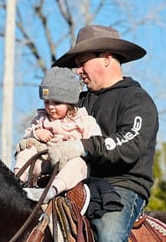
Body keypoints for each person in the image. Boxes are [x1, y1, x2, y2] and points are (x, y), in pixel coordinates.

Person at [47, 25, 159, 242]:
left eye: (82, 62)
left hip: (123, 187)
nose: (78, 71)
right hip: (79, 182)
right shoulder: (80, 102)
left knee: (110, 234)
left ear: (107, 58)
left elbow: (129, 143)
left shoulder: (137, 101)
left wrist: (81, 145)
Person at [14, 67, 101, 202]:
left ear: (70, 102)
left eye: (57, 102)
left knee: (78, 162)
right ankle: (16, 179)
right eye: (47, 102)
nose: (51, 107)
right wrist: (36, 133)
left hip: (69, 166)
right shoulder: (41, 118)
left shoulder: (83, 120)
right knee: (27, 149)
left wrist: (74, 144)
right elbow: (27, 135)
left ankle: (52, 190)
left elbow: (95, 142)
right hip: (45, 162)